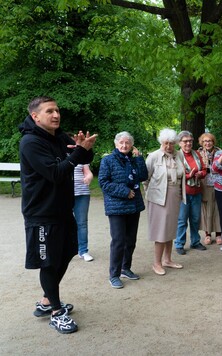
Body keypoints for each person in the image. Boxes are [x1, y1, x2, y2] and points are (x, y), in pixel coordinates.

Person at [20, 96, 97, 334]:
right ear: (36, 116)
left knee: (66, 254)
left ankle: (46, 301)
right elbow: (55, 173)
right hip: (42, 213)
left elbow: (83, 159)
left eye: (57, 110)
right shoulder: (30, 142)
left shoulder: (59, 137)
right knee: (49, 262)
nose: (56, 115)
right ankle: (55, 311)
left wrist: (85, 149)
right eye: (50, 111)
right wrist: (77, 155)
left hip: (63, 210)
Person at [99, 131, 148, 289]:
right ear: (116, 144)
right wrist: (124, 191)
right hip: (117, 207)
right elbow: (104, 183)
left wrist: (140, 158)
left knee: (131, 240)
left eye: (127, 143)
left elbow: (143, 176)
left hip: (134, 206)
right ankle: (114, 274)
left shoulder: (133, 161)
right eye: (121, 142)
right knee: (118, 241)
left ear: (131, 145)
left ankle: (125, 268)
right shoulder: (108, 160)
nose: (124, 145)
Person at [144, 128, 186, 276]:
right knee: (160, 230)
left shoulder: (178, 156)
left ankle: (167, 259)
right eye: (166, 143)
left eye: (171, 143)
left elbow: (181, 176)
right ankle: (156, 263)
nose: (169, 146)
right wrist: (151, 194)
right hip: (158, 198)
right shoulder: (154, 156)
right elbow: (145, 178)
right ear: (161, 142)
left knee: (170, 229)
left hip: (175, 196)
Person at [174, 130, 207, 255]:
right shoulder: (176, 155)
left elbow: (204, 169)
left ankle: (195, 242)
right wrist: (189, 176)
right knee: (182, 220)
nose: (188, 143)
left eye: (190, 141)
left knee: (195, 219)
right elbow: (175, 174)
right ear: (179, 143)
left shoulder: (196, 154)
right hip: (183, 192)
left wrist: (200, 174)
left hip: (197, 191)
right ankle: (179, 244)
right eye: (185, 141)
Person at [198, 133, 222, 245]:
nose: (207, 143)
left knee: (218, 208)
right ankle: (207, 234)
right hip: (204, 184)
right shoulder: (197, 154)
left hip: (218, 183)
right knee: (206, 209)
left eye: (210, 141)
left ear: (213, 142)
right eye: (205, 141)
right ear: (202, 143)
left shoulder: (220, 152)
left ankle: (218, 234)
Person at [73, 162, 94, 262]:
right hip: (63, 194)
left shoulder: (81, 154)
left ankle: (83, 251)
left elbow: (88, 172)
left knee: (82, 224)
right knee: (62, 223)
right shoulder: (59, 152)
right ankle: (63, 250)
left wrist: (89, 177)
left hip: (82, 193)